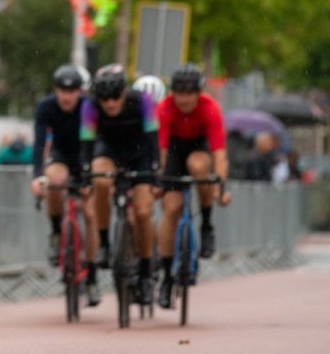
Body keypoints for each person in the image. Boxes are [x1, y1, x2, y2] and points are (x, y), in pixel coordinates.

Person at [80, 64, 160, 307]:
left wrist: (155, 169)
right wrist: (85, 173)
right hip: (109, 150)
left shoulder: (142, 100)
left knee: (143, 213)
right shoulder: (90, 105)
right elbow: (87, 142)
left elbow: (153, 138)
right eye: (104, 98)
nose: (110, 103)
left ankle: (145, 272)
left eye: (115, 97)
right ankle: (104, 243)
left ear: (124, 91)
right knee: (100, 180)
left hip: (139, 154)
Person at [155, 63, 232, 308]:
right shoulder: (164, 108)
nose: (185, 99)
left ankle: (206, 225)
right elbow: (161, 152)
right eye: (180, 93)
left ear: (199, 92)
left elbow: (219, 154)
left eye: (190, 93)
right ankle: (166, 279)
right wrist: (159, 181)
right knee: (171, 209)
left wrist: (220, 186)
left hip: (199, 147)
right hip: (174, 150)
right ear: (173, 93)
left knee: (198, 166)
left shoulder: (210, 108)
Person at [31, 64, 100, 306]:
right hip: (61, 155)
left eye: (72, 91)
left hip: (85, 156)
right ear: (55, 90)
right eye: (62, 91)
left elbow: (95, 140)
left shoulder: (89, 106)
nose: (67, 97)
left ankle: (92, 276)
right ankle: (55, 232)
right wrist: (37, 176)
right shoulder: (46, 106)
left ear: (80, 91)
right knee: (54, 180)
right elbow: (39, 143)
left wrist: (89, 176)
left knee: (90, 212)